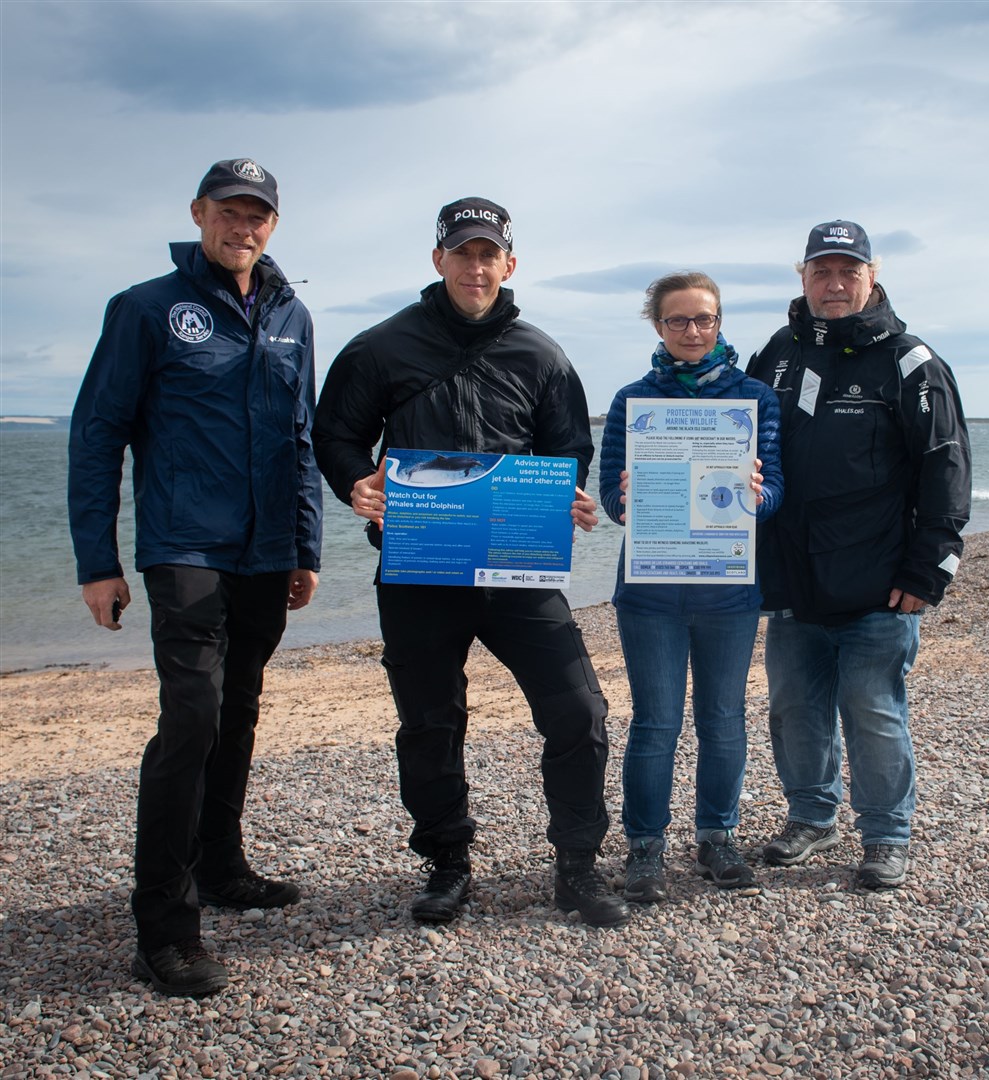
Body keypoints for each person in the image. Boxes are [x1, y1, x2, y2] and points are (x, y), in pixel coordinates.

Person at [312, 197, 628, 929]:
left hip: (516, 567)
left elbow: (566, 448)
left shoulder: (542, 354)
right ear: (438, 261)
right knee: (429, 722)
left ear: (509, 265)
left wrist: (568, 497)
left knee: (578, 711)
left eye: (489, 254)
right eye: (462, 252)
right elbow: (334, 434)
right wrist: (354, 481)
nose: (475, 266)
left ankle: (577, 865)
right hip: (420, 568)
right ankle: (447, 862)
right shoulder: (380, 347)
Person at [67, 158, 322, 997]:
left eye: (257, 216)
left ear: (272, 226)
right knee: (192, 722)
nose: (241, 227)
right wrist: (97, 561)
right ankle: (163, 930)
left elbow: (301, 439)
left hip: (265, 556)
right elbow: (97, 433)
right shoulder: (146, 308)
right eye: (228, 212)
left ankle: (222, 867)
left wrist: (306, 548)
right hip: (185, 550)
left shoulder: (291, 314)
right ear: (198, 213)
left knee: (239, 712)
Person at [745, 221, 971, 890]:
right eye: (822, 271)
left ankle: (885, 836)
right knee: (792, 710)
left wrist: (930, 569)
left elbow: (945, 466)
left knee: (872, 712)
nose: (835, 283)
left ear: (871, 277)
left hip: (877, 586)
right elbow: (735, 449)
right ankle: (812, 817)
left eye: (849, 271)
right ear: (803, 276)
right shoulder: (777, 354)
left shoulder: (910, 361)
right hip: (791, 583)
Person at [599, 272, 784, 901]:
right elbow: (610, 499)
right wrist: (626, 502)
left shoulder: (754, 397)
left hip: (728, 588)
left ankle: (718, 837)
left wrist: (755, 496)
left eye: (704, 319)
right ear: (658, 326)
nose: (692, 332)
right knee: (654, 722)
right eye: (678, 321)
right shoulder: (630, 402)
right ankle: (644, 847)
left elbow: (777, 489)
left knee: (724, 719)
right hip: (650, 591)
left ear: (720, 321)